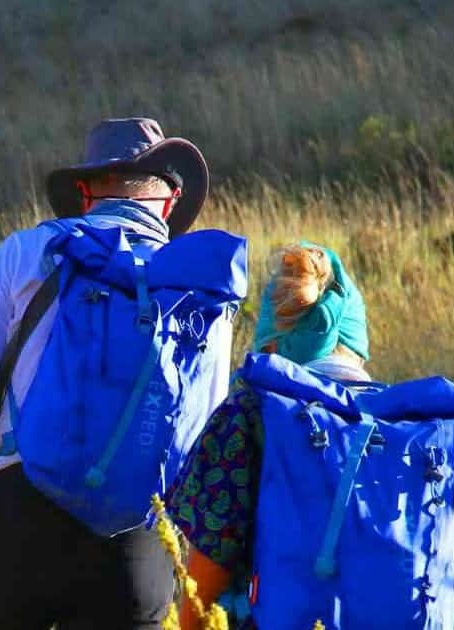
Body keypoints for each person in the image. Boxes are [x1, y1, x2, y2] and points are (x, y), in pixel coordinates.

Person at [0, 118, 246, 629]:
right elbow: (205, 436)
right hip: (138, 539)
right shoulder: (202, 291)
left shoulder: (27, 253)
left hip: (21, 520)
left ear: (85, 193)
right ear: (171, 203)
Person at [170, 242, 371, 630]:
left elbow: (212, 555)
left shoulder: (249, 414)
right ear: (357, 346)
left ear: (271, 345)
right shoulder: (393, 421)